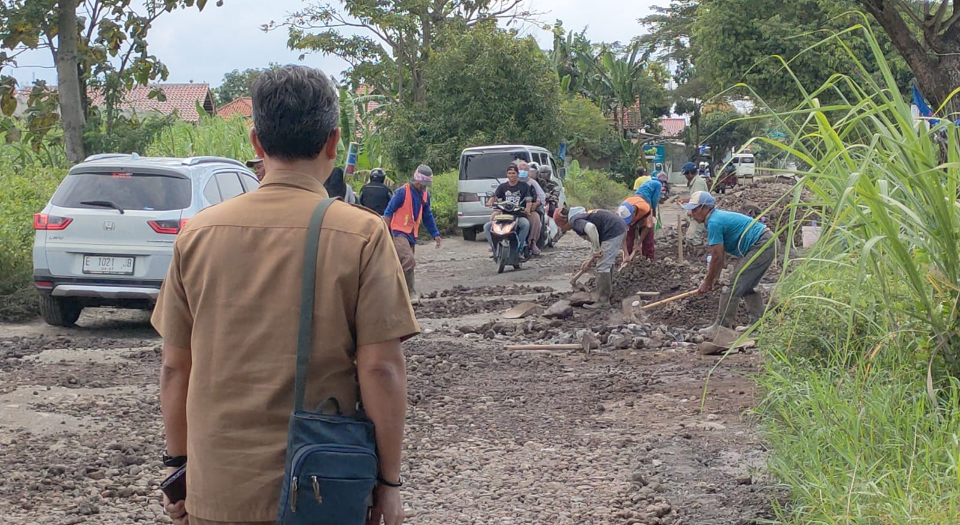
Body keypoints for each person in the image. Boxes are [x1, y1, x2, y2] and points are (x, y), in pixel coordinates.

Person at [154, 65, 415, 525]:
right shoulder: (361, 235)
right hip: (322, 488)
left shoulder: (197, 235)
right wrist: (388, 484)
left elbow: (176, 367)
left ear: (256, 143)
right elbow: (381, 368)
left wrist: (178, 468)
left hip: (218, 489)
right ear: (334, 142)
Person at [683, 191, 776, 338]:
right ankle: (757, 324)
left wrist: (707, 282)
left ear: (705, 208)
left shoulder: (714, 222)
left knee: (735, 283)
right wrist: (714, 279)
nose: (691, 213)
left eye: (695, 209)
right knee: (746, 284)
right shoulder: (715, 218)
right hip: (766, 242)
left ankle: (721, 327)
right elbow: (720, 257)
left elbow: (717, 257)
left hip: (762, 244)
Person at [383, 164, 443, 303]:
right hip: (398, 231)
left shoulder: (425, 195)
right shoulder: (402, 192)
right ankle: (407, 292)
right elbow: (388, 212)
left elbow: (427, 215)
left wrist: (435, 233)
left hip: (411, 233)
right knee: (408, 260)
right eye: (421, 184)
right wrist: (385, 232)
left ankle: (400, 293)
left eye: (425, 184)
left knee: (401, 263)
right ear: (416, 181)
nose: (423, 186)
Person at [554, 206, 627, 305]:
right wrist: (590, 258)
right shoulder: (581, 215)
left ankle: (603, 300)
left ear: (564, 221)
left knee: (603, 266)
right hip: (616, 227)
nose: (562, 229)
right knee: (605, 263)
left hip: (612, 231)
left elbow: (591, 228)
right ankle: (606, 294)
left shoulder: (574, 221)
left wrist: (597, 250)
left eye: (560, 226)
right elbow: (594, 237)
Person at [484, 164, 534, 256]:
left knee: (525, 224)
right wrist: (490, 201)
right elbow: (495, 197)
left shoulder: (524, 186)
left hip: (518, 215)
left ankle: (520, 247)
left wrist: (527, 209)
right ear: (507, 175)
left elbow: (528, 199)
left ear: (517, 174)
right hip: (504, 216)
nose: (511, 175)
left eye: (513, 173)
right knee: (487, 227)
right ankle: (495, 249)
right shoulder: (502, 187)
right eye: (509, 173)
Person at [678, 162, 709, 246]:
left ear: (690, 173)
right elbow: (695, 197)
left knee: (693, 238)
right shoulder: (695, 182)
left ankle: (698, 254)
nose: (686, 176)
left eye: (686, 174)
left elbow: (699, 200)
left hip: (700, 214)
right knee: (691, 236)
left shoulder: (698, 183)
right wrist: (684, 200)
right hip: (698, 213)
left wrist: (692, 212)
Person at [517, 160, 543, 256]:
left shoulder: (532, 183)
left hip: (528, 210)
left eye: (525, 169)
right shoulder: (508, 183)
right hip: (511, 210)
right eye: (520, 169)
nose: (522, 171)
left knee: (536, 219)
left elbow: (541, 196)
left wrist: (536, 204)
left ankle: (532, 242)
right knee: (494, 217)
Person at [617, 195, 653, 263]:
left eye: (629, 219)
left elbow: (647, 227)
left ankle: (649, 260)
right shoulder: (620, 212)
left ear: (633, 212)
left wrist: (638, 244)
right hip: (631, 216)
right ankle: (626, 260)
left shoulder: (645, 209)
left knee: (648, 241)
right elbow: (622, 235)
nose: (629, 222)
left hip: (643, 217)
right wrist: (626, 253)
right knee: (629, 240)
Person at [634, 177, 663, 259]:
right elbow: (654, 200)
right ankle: (648, 257)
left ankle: (630, 255)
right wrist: (653, 212)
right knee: (648, 228)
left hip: (636, 200)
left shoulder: (648, 181)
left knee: (636, 224)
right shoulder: (658, 184)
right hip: (645, 200)